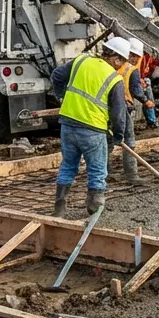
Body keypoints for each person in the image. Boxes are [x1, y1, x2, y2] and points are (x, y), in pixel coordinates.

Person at [49, 37, 129, 217]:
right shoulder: (114, 79)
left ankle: (59, 208)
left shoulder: (81, 60)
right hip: (93, 129)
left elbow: (56, 75)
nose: (121, 66)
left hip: (68, 124)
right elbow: (118, 113)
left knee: (68, 165)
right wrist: (118, 135)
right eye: (122, 62)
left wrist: (61, 95)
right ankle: (94, 210)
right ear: (116, 58)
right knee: (97, 169)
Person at [115, 39, 155, 186]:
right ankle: (132, 175)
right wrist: (146, 101)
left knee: (106, 142)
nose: (138, 59)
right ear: (130, 54)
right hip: (123, 108)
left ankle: (106, 174)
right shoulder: (131, 69)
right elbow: (136, 90)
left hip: (107, 108)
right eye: (137, 56)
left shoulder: (111, 66)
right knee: (129, 140)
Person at [128, 39, 159, 130]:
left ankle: (152, 121)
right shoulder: (129, 65)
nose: (136, 59)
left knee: (147, 84)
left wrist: (140, 79)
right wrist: (146, 101)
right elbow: (135, 89)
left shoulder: (146, 57)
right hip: (124, 97)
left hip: (128, 91)